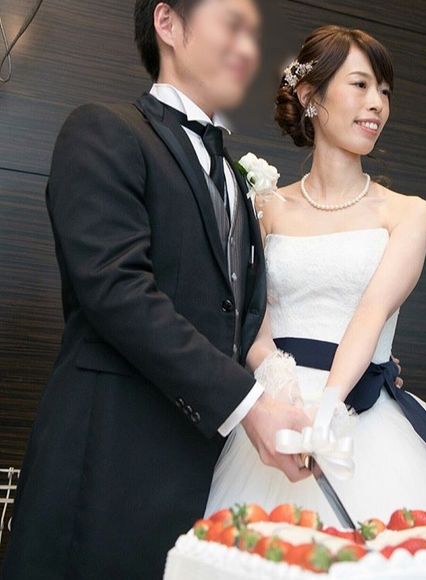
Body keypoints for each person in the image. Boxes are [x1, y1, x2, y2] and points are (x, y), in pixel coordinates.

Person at [2, 1, 386, 578]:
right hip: (105, 464)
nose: (248, 47)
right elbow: (117, 290)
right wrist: (248, 406)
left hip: (197, 475)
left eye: (252, 32)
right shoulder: (104, 130)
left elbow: (241, 317)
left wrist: (328, 379)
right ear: (168, 23)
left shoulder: (234, 176)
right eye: (230, 24)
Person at [204, 24, 426, 532]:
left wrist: (327, 411)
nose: (377, 105)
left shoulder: (409, 213)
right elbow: (252, 319)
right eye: (360, 85)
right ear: (310, 96)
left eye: (384, 92)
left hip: (361, 416)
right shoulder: (264, 206)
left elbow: (371, 313)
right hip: (275, 412)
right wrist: (282, 391)